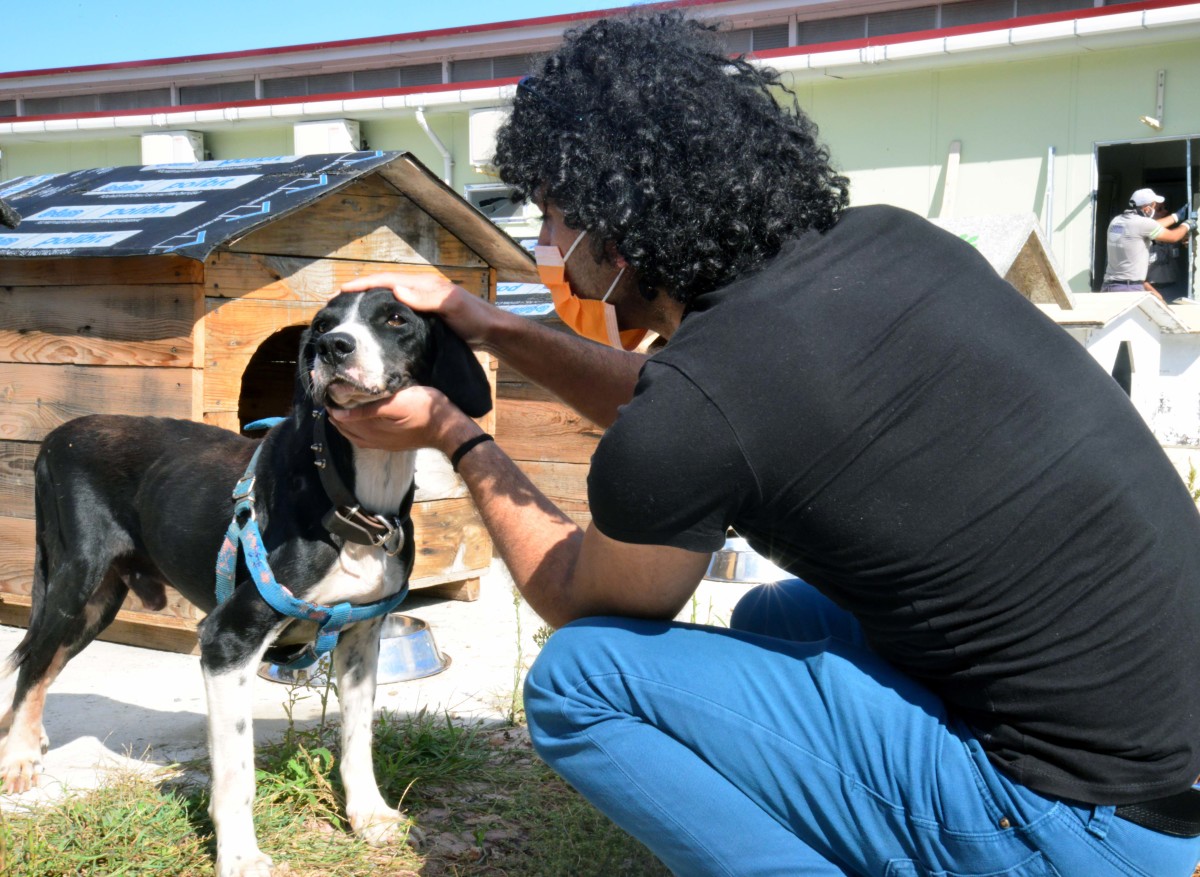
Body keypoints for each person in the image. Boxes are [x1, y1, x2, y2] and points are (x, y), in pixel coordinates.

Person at [330, 13, 1200, 876]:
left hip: (1077, 827)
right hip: (1167, 766)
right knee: (772, 620)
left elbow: (578, 594)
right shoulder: (891, 242)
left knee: (580, 679)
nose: (545, 246)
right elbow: (701, 404)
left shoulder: (704, 404)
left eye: (555, 219)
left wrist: (458, 435)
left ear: (617, 227)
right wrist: (494, 327)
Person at [1102, 186, 1194, 298]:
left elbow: (1151, 226)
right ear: (1147, 209)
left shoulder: (1117, 220)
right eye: (1155, 206)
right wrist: (1187, 225)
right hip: (1129, 288)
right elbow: (1174, 236)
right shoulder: (1142, 224)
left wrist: (1176, 217)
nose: (1155, 209)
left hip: (1109, 286)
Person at [1148, 203, 1190, 302]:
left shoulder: (1175, 235)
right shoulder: (1141, 238)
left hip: (1173, 288)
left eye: (1166, 208)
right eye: (1159, 209)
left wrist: (1187, 243)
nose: (1165, 211)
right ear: (1148, 212)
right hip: (1151, 290)